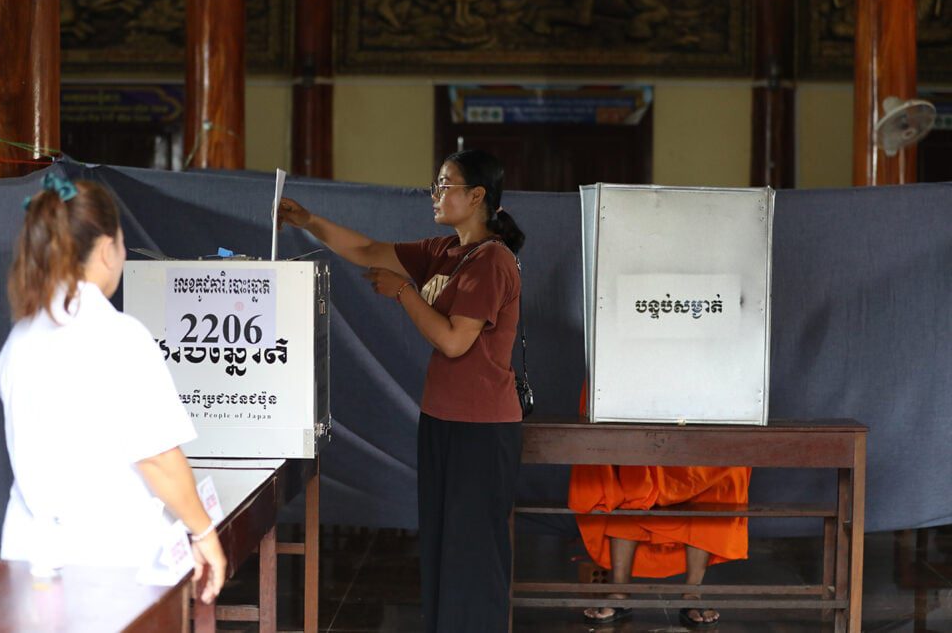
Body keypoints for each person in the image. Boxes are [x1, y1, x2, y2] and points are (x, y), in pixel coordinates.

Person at [278, 149, 525, 632]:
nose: (435, 195)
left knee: (473, 547)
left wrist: (404, 293)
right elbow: (369, 250)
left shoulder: (491, 261)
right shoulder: (445, 251)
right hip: (441, 418)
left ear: (477, 196)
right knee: (440, 542)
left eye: (445, 185)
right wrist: (309, 221)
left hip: (483, 427)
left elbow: (455, 341)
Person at [0, 174, 226, 603]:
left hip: (31, 556)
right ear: (107, 250)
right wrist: (204, 530)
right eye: (122, 244)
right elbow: (157, 457)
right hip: (109, 563)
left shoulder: (20, 338)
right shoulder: (119, 336)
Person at [569, 386, 750, 628]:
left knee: (723, 476)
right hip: (638, 395)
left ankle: (692, 593)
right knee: (630, 476)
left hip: (698, 398)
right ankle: (618, 591)